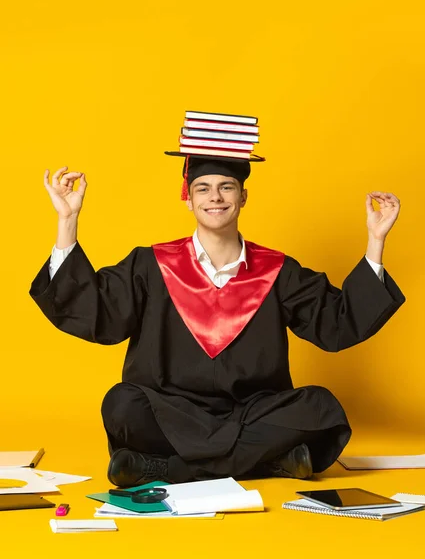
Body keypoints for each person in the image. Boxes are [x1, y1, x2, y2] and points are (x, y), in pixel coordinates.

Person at [30, 154, 404, 487]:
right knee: (122, 404)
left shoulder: (276, 270)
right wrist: (68, 220)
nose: (215, 197)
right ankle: (268, 462)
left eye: (227, 187)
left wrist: (375, 241)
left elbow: (336, 322)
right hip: (170, 409)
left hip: (252, 410)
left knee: (321, 408)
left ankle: (162, 468)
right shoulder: (150, 265)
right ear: (188, 197)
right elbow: (98, 312)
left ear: (243, 197)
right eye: (203, 188)